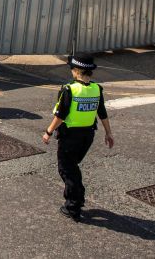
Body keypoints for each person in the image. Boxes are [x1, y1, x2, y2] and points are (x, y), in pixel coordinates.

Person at [41, 55, 115, 222]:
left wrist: (48, 132)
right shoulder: (97, 89)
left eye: (72, 69)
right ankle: (77, 196)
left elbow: (61, 115)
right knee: (72, 165)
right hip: (87, 136)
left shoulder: (70, 89)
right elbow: (102, 112)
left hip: (70, 136)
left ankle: (74, 204)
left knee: (66, 169)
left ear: (76, 71)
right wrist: (109, 133)